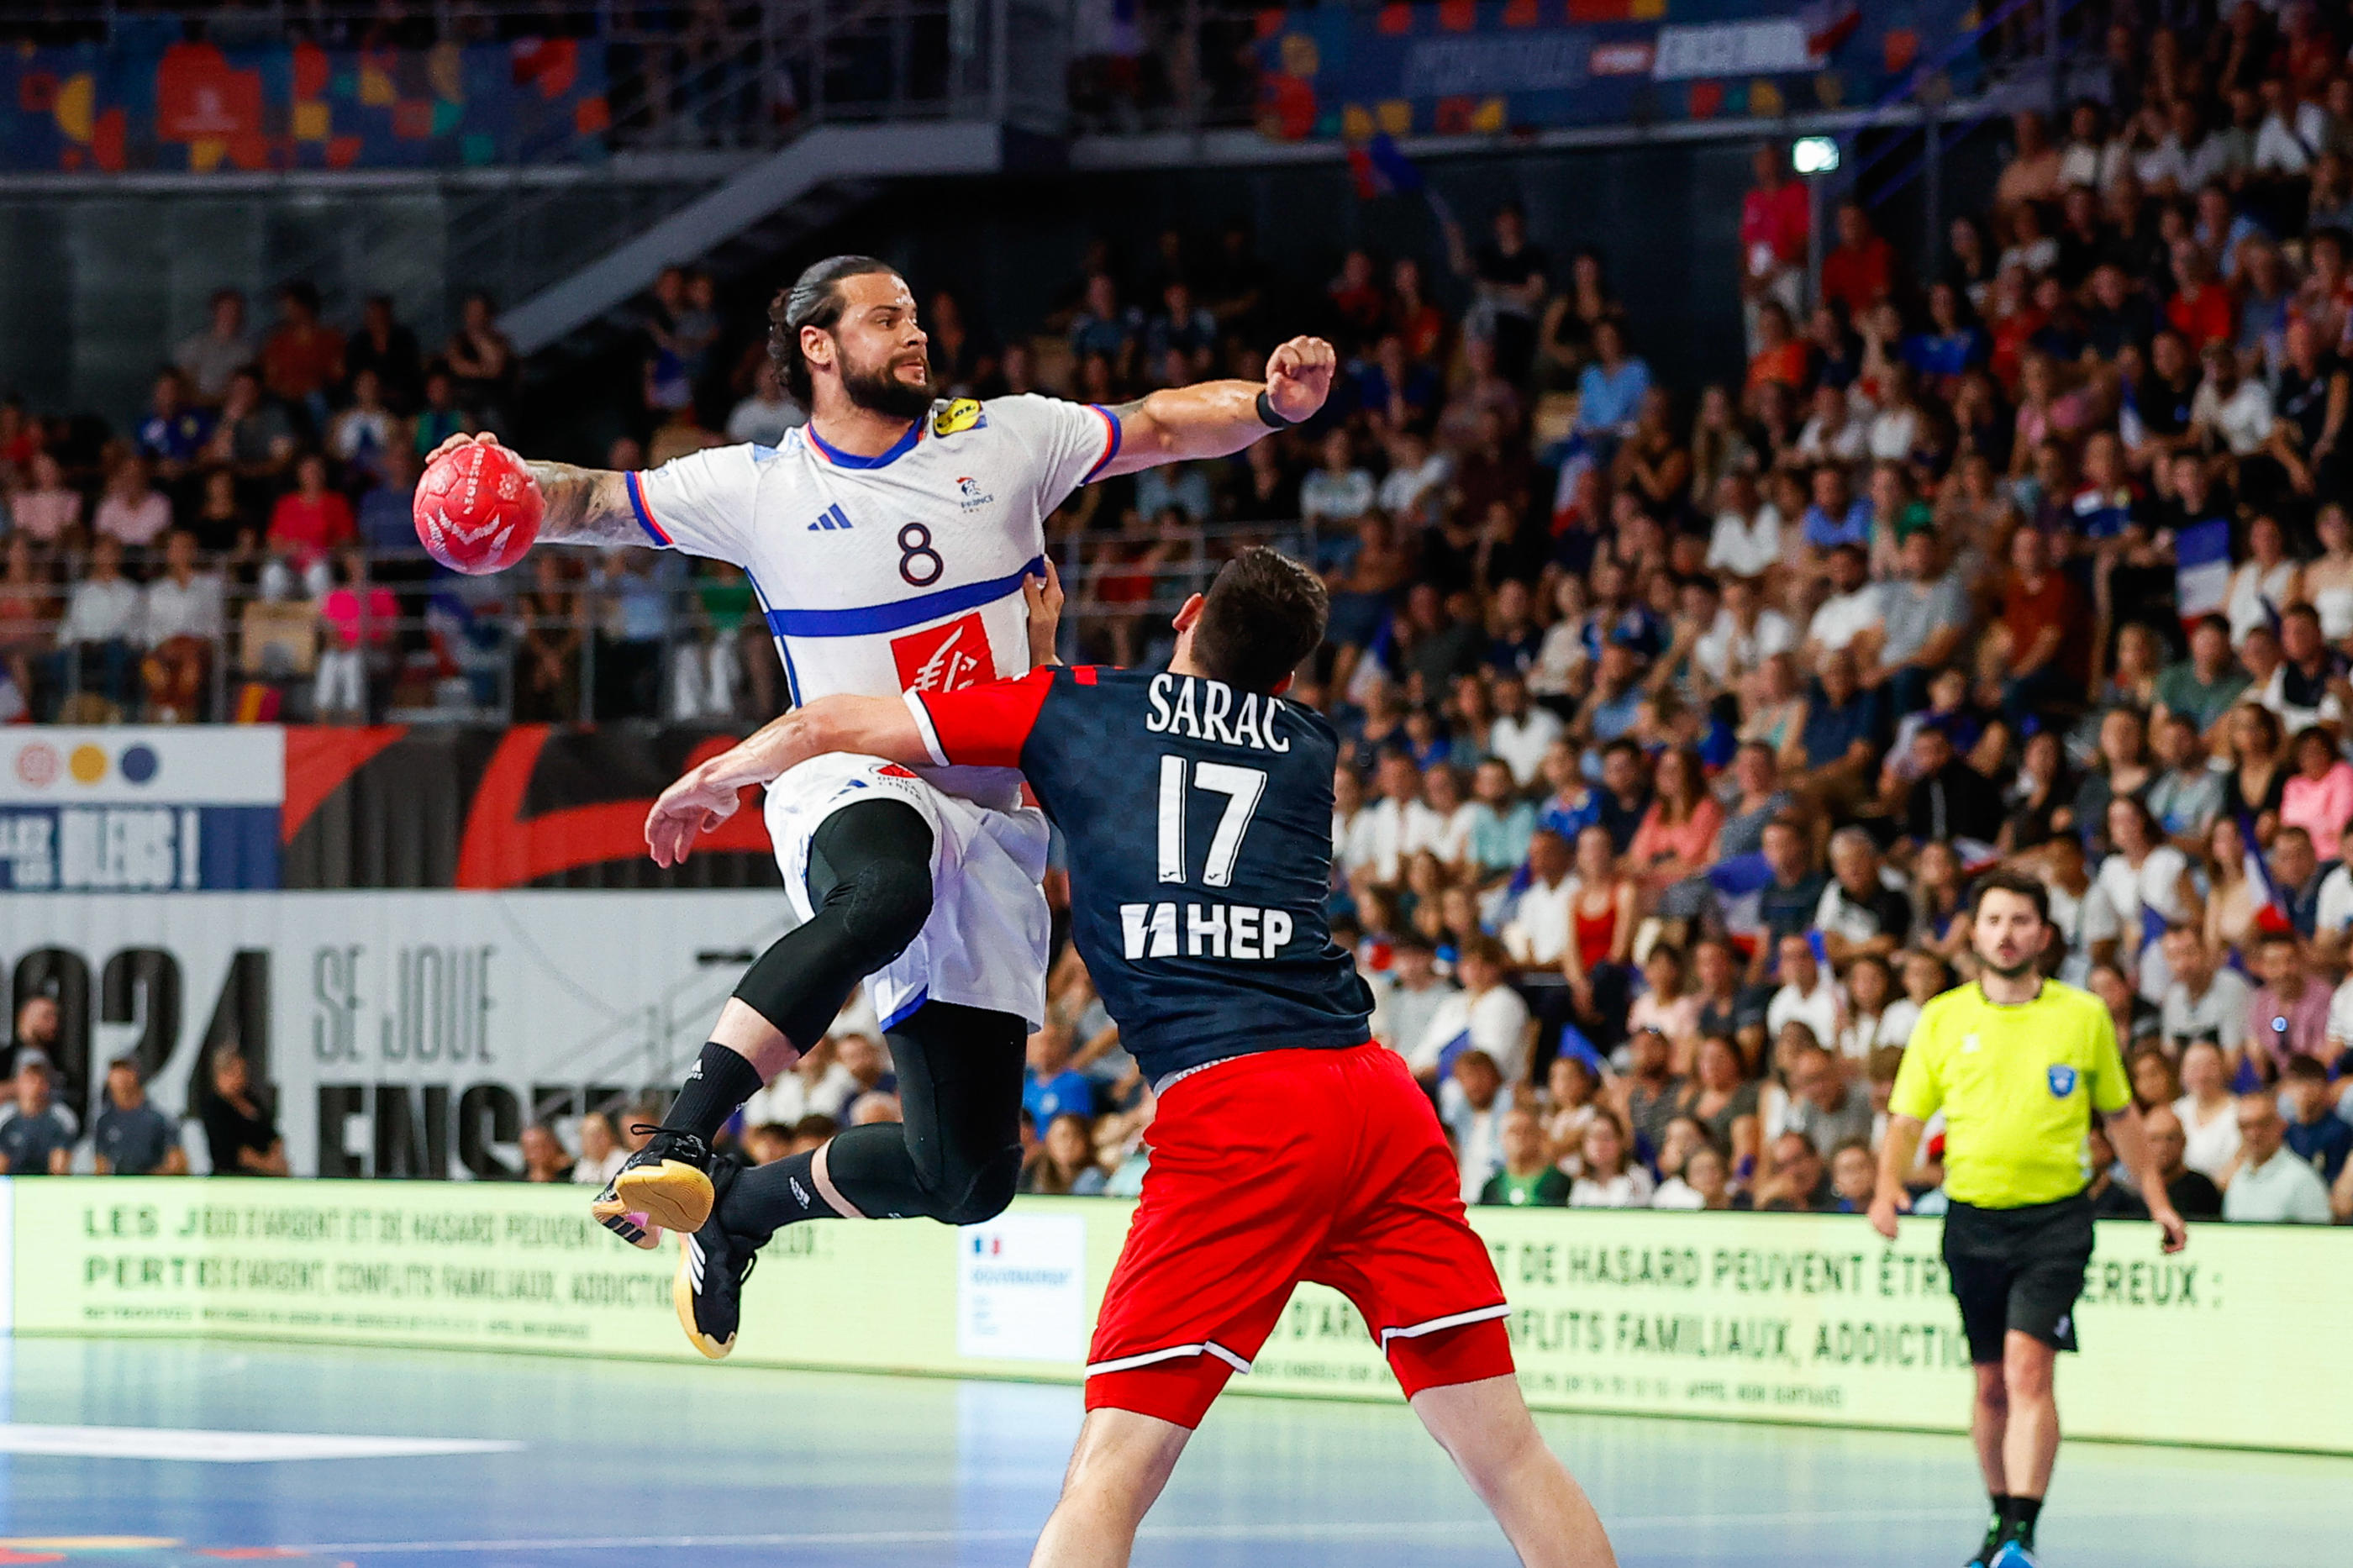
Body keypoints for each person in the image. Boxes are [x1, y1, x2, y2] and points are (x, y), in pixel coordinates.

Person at [650, 547, 1617, 1567]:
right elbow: (1150, 767)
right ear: (1287, 680)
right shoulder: (1306, 744)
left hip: (1239, 1111)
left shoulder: (1078, 707)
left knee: (1108, 1475)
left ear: (1186, 613)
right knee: (1509, 1456)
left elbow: (837, 725)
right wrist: (1048, 666)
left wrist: (716, 779)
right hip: (1375, 1099)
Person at [431, 255, 1340, 1264]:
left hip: (990, 811)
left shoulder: (1004, 440)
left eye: (914, 314)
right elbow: (596, 500)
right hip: (848, 770)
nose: (914, 334)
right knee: (884, 889)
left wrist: (1268, 403)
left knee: (967, 1179)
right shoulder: (760, 486)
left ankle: (738, 1214)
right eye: (884, 318)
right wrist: (510, 482)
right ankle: (684, 1133)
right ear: (816, 346)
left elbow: (1163, 424)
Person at [1871, 871, 2185, 1568]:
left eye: (2020, 921)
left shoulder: (2083, 1015)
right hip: (1972, 1220)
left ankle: (2022, 1531)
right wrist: (1886, 1185)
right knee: (1988, 1382)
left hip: (2056, 1222)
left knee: (2028, 1370)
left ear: (2043, 934)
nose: (2006, 933)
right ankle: (1999, 1518)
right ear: (1974, 932)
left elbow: (2122, 1117)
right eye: (1993, 920)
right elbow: (1905, 1118)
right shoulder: (1944, 1017)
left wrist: (2158, 1200)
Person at [2221, 1093, 2335, 1223]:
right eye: (2245, 1126)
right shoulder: (2238, 1179)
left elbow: (2320, 1238)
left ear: (2280, 1125)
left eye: (2262, 1124)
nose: (2254, 1134)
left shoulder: (2303, 1180)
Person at [92, 1057, 187, 1176]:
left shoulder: (157, 1118)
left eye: (126, 1071)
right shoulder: (105, 1121)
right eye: (116, 1071)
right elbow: (101, 1165)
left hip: (153, 1187)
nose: (120, 1077)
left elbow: (177, 1163)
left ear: (135, 1075)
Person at [200, 1050, 287, 1176]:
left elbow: (272, 1134)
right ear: (222, 1074)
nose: (240, 1078)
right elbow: (230, 1150)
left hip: (264, 1175)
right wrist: (266, 1165)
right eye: (235, 1073)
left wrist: (276, 1158)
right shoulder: (214, 1106)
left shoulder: (250, 1100)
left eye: (243, 1073)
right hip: (232, 1176)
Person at [1479, 1107, 1571, 1208]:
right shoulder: (1492, 1187)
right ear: (1501, 1138)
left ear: (1539, 1136)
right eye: (1513, 1131)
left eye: (1527, 1131)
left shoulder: (1560, 1183)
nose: (1520, 1137)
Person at [0, 1056, 75, 1176]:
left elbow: (59, 1169)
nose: (34, 1087)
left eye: (39, 1081)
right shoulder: (4, 1116)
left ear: (46, 1086)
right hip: (11, 1185)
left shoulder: (61, 1117)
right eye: (29, 1080)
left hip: (47, 1186)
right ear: (18, 1084)